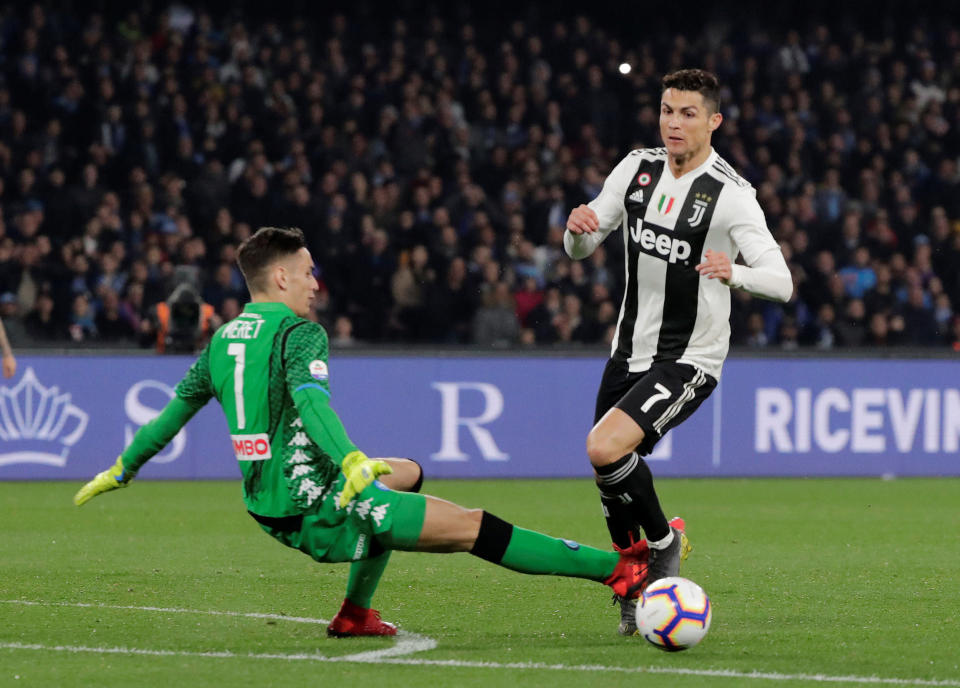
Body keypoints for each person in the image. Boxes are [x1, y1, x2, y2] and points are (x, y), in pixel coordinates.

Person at [74, 226, 653, 638]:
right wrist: (351, 459)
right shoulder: (299, 335)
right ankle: (618, 570)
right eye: (306, 273)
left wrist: (122, 469)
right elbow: (311, 401)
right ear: (280, 277)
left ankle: (355, 614)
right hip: (320, 504)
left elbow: (169, 417)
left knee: (408, 473)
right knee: (473, 527)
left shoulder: (223, 341)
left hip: (268, 503)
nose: (315, 283)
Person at [564, 69, 793, 636]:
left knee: (604, 446)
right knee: (608, 469)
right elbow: (584, 245)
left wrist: (734, 272)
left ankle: (664, 545)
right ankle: (632, 583)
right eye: (668, 110)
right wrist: (576, 231)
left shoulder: (731, 195)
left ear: (713, 121)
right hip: (629, 348)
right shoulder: (636, 168)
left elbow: (781, 281)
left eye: (688, 113)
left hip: (689, 357)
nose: (673, 122)